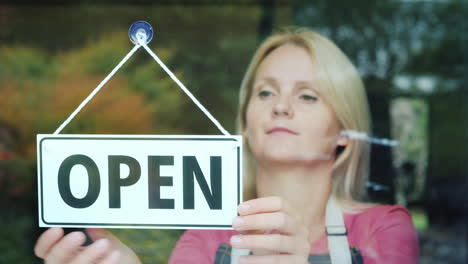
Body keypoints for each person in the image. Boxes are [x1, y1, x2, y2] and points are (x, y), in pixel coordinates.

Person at [34, 28, 419, 264]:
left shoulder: (381, 230)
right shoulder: (205, 238)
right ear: (246, 121)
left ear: (343, 131)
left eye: (307, 97)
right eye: (265, 92)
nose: (280, 106)